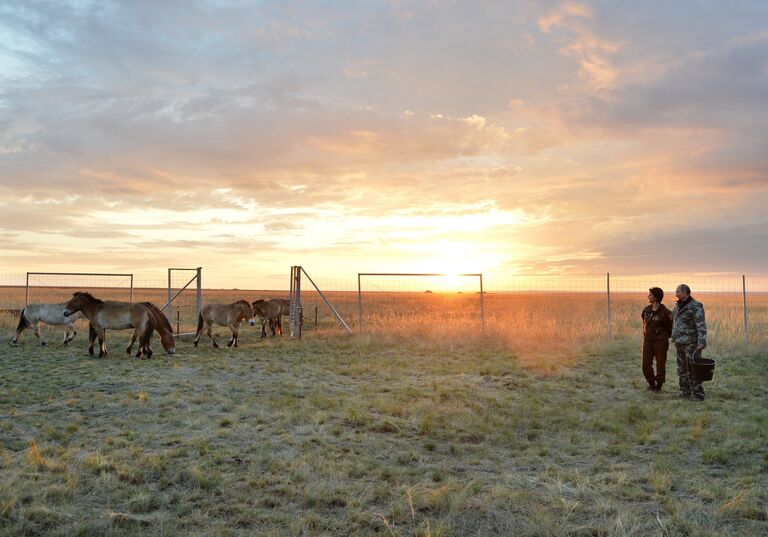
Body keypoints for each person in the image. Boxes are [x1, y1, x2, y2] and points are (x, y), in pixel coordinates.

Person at [671, 284, 708, 400]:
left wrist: (702, 341)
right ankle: (685, 391)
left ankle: (698, 394)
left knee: (693, 368)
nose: (675, 293)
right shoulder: (677, 306)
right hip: (679, 342)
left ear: (685, 292)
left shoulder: (695, 306)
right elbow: (675, 322)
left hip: (691, 343)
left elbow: (700, 324)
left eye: (677, 291)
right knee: (681, 368)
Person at [641, 287, 673, 391]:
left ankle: (658, 385)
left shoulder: (666, 313)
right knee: (645, 364)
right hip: (648, 341)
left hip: (660, 342)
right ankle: (651, 383)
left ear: (656, 297)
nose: (648, 296)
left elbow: (670, 327)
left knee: (660, 364)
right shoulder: (646, 310)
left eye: (650, 295)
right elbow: (644, 322)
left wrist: (663, 337)